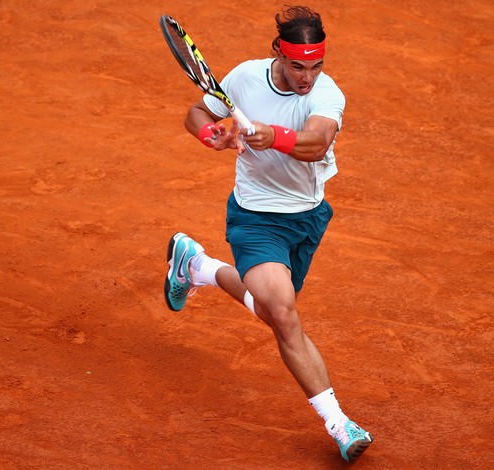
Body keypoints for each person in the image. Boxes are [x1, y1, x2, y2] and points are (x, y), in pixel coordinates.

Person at [163, 5, 373, 463]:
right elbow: (197, 112)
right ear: (278, 52)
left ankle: (196, 264)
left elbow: (315, 143)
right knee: (282, 312)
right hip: (255, 218)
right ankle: (340, 423)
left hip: (308, 218)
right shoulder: (243, 78)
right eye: (298, 65)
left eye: (316, 65)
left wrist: (269, 134)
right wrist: (213, 133)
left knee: (273, 309)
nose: (307, 77)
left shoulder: (326, 95)